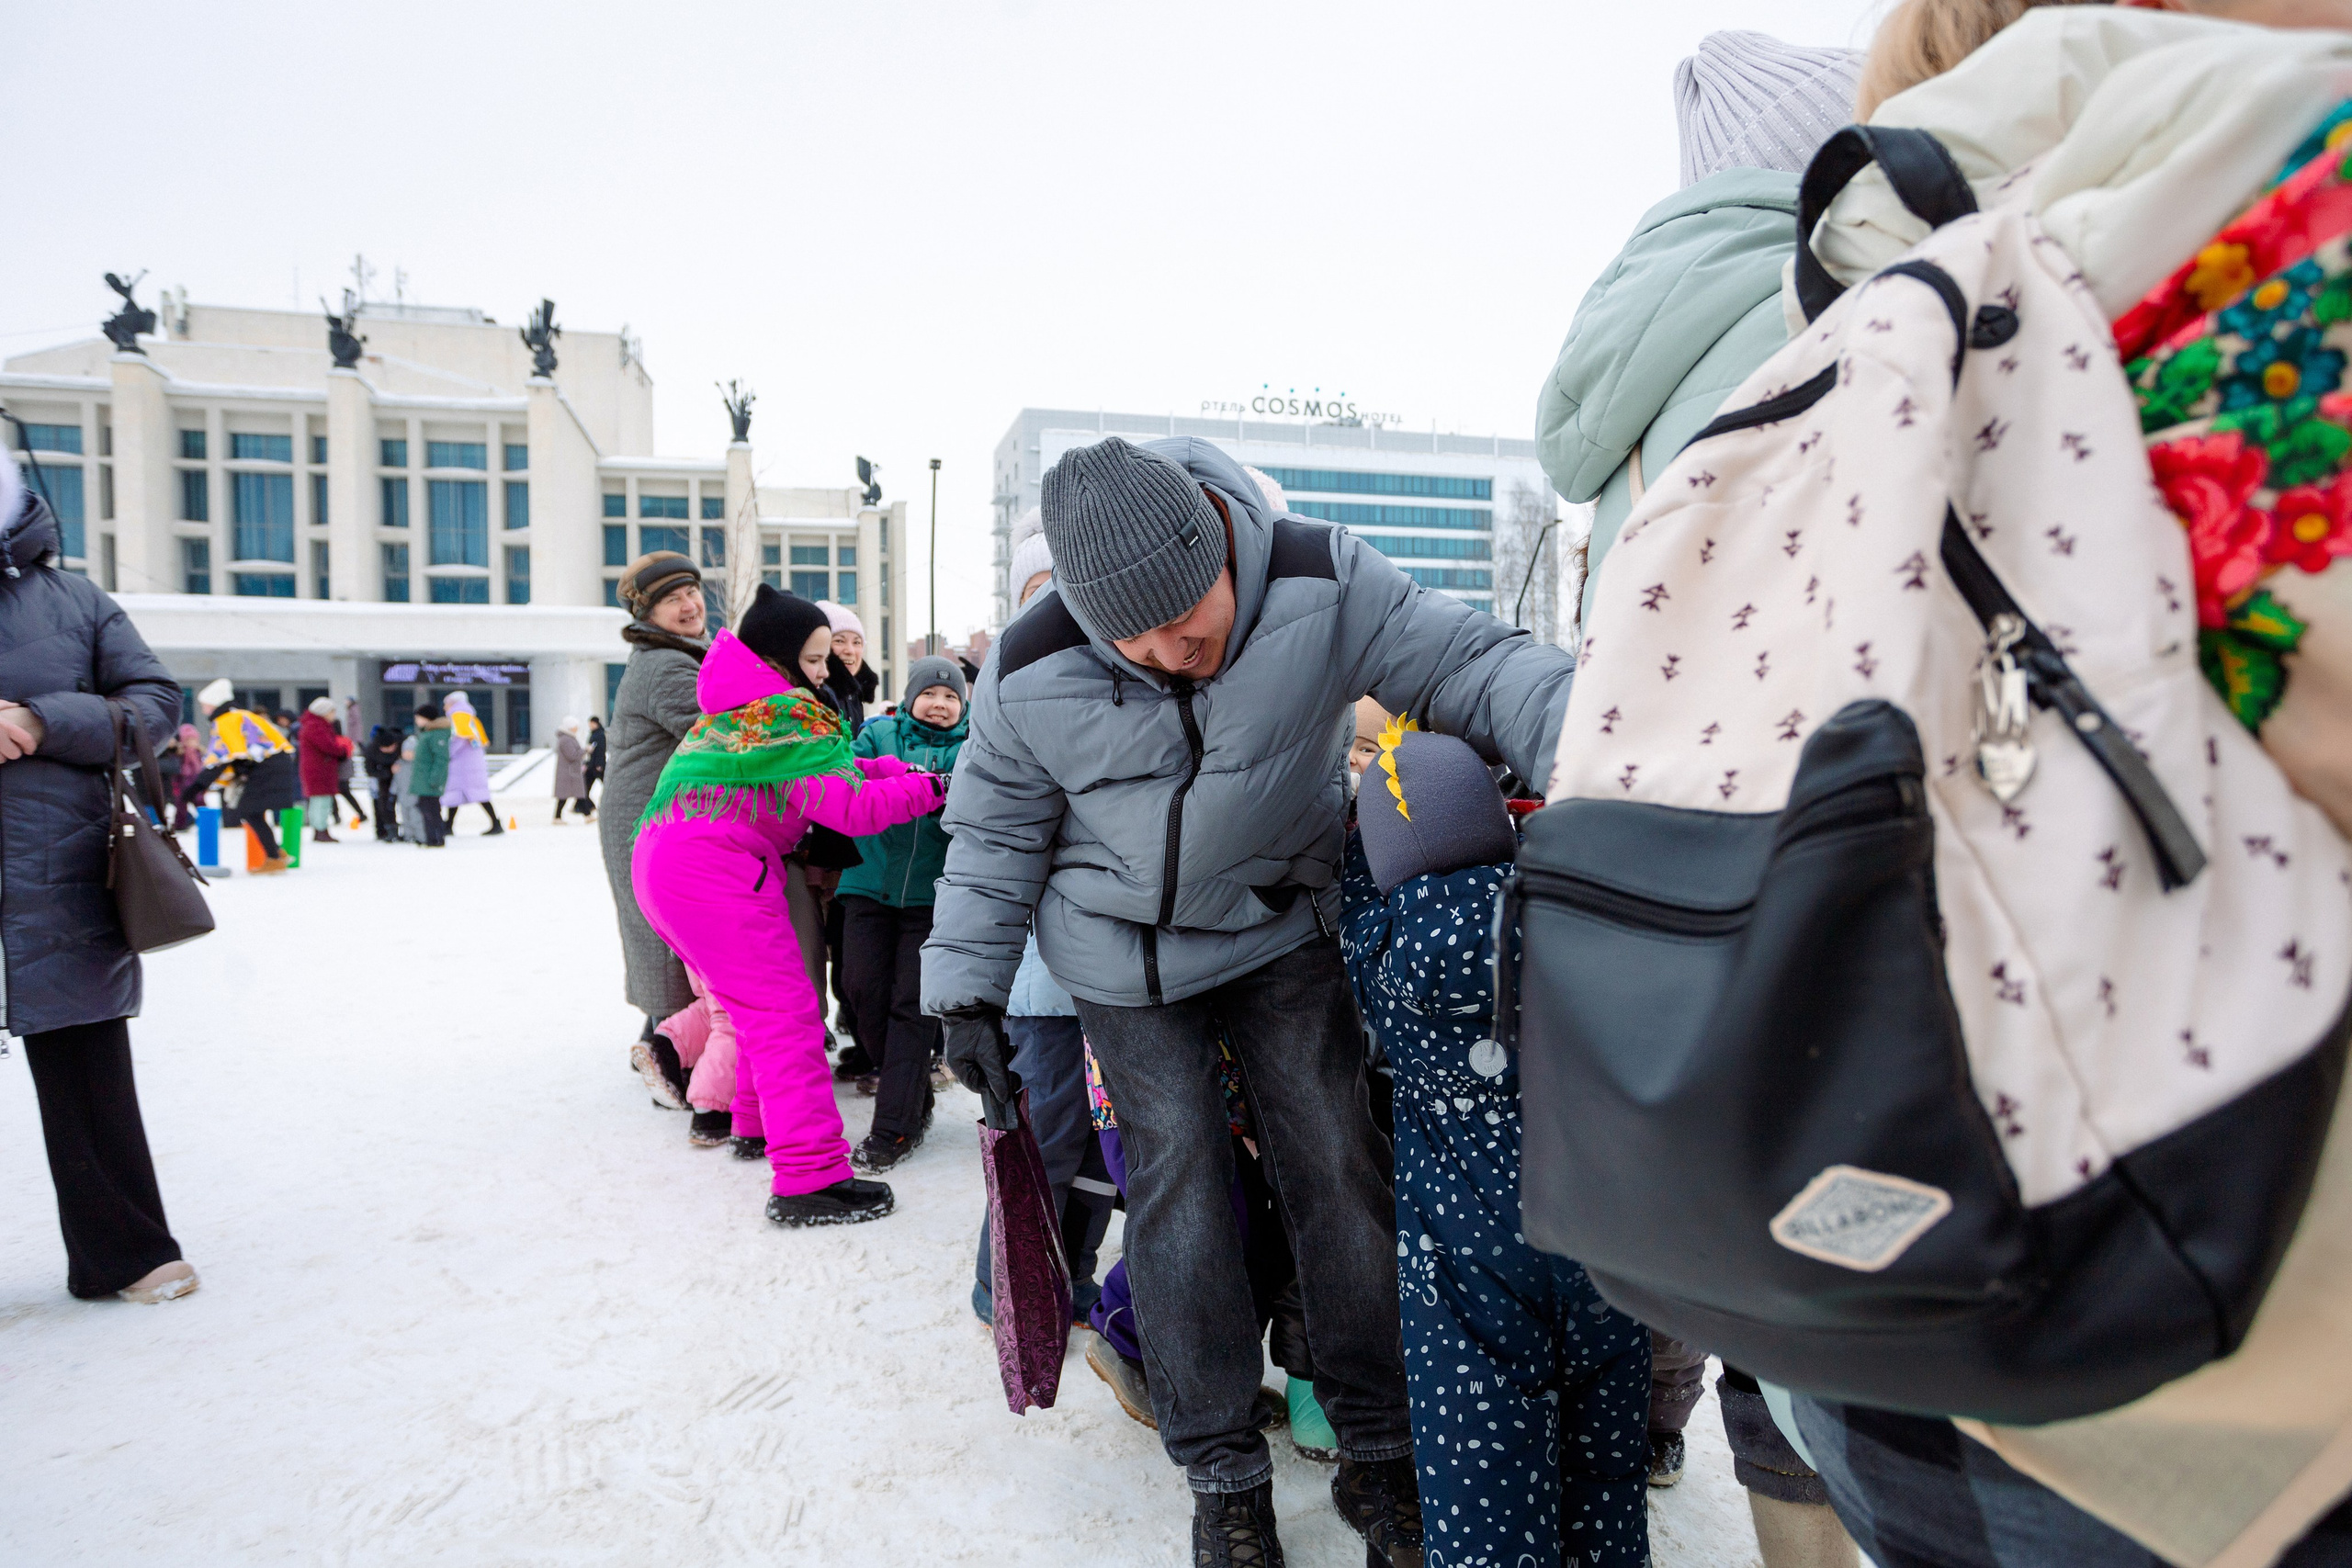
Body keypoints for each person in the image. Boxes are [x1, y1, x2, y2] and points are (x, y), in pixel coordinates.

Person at [923, 435, 1576, 1565]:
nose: (1170, 656)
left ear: (1222, 544)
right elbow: (989, 833)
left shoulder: (1324, 580)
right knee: (1179, 1186)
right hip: (1120, 960)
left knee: (1337, 1164)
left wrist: (1608, 755)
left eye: (1188, 623)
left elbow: (1476, 664)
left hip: (1281, 929)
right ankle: (1221, 1470)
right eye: (1132, 640)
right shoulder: (1030, 667)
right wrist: (968, 991)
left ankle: (1381, 1451)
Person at [1534, 32, 1876, 1565]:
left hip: (1668, 882)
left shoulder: (1638, 350)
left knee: (1766, 1267)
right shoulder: (1849, 298)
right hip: (1834, 851)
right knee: (1880, 1262)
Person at [1343, 722, 1652, 1567]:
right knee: (1607, 1477)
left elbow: (1352, 897)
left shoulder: (1387, 947)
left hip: (1466, 1266)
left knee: (1485, 1495)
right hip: (1598, 1244)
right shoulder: (1574, 918)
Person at [630, 585, 947, 1226]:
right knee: (788, 1015)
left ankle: (753, 1124)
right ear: (775, 658)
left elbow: (848, 779)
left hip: (667, 863)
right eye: (811, 659)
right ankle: (809, 1178)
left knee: (755, 1012)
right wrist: (935, 787)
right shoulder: (784, 714)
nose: (824, 672)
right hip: (713, 870)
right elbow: (851, 808)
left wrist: (903, 775)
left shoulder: (739, 712)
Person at [0, 459, 197, 1305]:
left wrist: (43, 719)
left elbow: (154, 701)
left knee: (83, 1058)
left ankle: (123, 1248)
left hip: (56, 859)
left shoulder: (73, 601)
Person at [967, 536, 1115, 1335]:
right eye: (1039, 587)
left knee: (1100, 1153)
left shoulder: (1117, 689)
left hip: (1112, 983)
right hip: (1041, 988)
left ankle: (1073, 1274)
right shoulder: (1010, 705)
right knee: (1047, 1137)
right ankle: (1009, 1282)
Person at [835, 655, 968, 1174]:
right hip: (867, 885)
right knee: (862, 994)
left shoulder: (973, 749)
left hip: (932, 898)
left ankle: (894, 1126)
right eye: (930, 694)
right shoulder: (877, 735)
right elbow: (847, 779)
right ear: (911, 696)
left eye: (951, 697)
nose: (939, 704)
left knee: (911, 1009)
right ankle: (911, 1091)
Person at [600, 550, 709, 1110]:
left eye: (691, 591)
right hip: (644, 818)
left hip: (648, 813)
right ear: (648, 613)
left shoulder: (671, 655)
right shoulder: (668, 665)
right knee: (667, 937)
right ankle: (670, 1060)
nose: (689, 605)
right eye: (672, 599)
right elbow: (711, 732)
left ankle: (659, 1043)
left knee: (663, 933)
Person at [197, 679, 297, 873]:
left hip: (268, 768)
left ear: (214, 704)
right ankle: (276, 853)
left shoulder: (226, 720)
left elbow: (228, 755)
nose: (203, 710)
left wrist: (198, 785)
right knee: (253, 811)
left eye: (204, 705)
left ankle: (274, 857)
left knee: (250, 810)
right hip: (275, 765)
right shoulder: (241, 715)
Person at [438, 692, 500, 836]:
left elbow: (459, 738)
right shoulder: (469, 716)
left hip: (462, 763)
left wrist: (448, 754)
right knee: (461, 793)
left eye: (446, 703)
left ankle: (449, 826)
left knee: (459, 792)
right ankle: (449, 825)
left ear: (453, 703)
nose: (444, 707)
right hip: (471, 762)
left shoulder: (458, 715)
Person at [297, 696, 354, 844]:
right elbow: (327, 746)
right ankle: (320, 829)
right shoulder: (316, 726)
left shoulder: (313, 725)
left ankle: (320, 829)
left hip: (320, 768)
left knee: (320, 799)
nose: (334, 714)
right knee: (321, 800)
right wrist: (342, 751)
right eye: (332, 711)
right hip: (319, 769)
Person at [815, 601, 876, 734]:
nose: (850, 650)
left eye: (857, 642)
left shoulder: (854, 694)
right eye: (839, 641)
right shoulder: (819, 694)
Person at [407, 703, 450, 849]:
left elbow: (441, 759)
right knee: (426, 809)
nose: (416, 720)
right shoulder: (427, 733)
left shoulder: (436, 734)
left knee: (431, 811)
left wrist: (434, 779)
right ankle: (431, 837)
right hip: (423, 779)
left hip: (429, 781)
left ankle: (436, 838)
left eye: (418, 717)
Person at [365, 724, 403, 840]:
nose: (389, 751)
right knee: (382, 802)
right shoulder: (371, 749)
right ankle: (384, 830)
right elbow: (369, 770)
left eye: (391, 748)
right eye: (385, 749)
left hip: (401, 776)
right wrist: (386, 773)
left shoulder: (401, 744)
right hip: (381, 777)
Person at [551, 716, 593, 822]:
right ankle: (587, 816)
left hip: (570, 772)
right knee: (575, 794)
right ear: (570, 727)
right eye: (575, 726)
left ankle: (558, 817)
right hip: (569, 773)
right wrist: (586, 750)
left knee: (570, 795)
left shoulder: (567, 738)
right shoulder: (566, 739)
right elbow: (572, 755)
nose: (577, 728)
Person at [167, 722, 206, 832]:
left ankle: (206, 823)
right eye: (188, 740)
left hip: (196, 783)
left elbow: (201, 767)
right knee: (181, 805)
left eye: (193, 739)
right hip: (182, 783)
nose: (192, 743)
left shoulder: (199, 752)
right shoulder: (180, 752)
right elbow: (175, 768)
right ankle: (180, 825)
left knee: (201, 804)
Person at [391, 733, 423, 844]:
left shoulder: (418, 766)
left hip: (415, 796)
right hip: (403, 796)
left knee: (416, 818)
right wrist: (393, 791)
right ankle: (408, 835)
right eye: (406, 752)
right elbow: (396, 780)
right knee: (405, 817)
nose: (408, 755)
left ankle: (419, 836)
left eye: (411, 752)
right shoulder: (399, 765)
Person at [584, 714, 607, 807]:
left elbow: (601, 750)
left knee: (606, 785)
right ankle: (585, 805)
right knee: (586, 786)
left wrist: (600, 764)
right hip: (592, 764)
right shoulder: (594, 734)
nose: (590, 726)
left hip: (597, 765)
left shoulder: (600, 735)